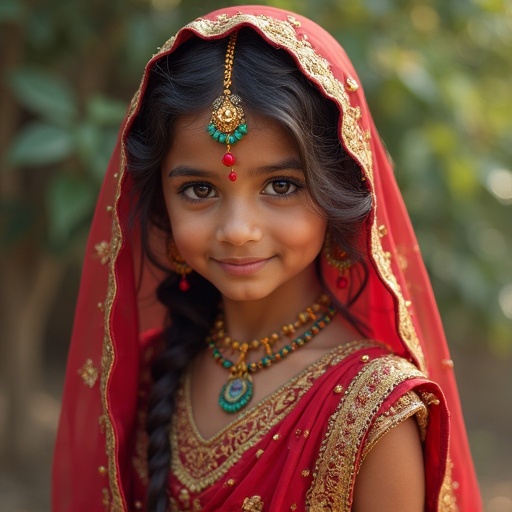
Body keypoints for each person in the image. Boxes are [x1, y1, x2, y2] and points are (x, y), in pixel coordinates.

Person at [52, 5, 481, 511]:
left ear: (336, 188)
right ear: (160, 205)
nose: (238, 231)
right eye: (198, 189)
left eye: (280, 185)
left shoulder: (373, 410)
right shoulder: (150, 374)